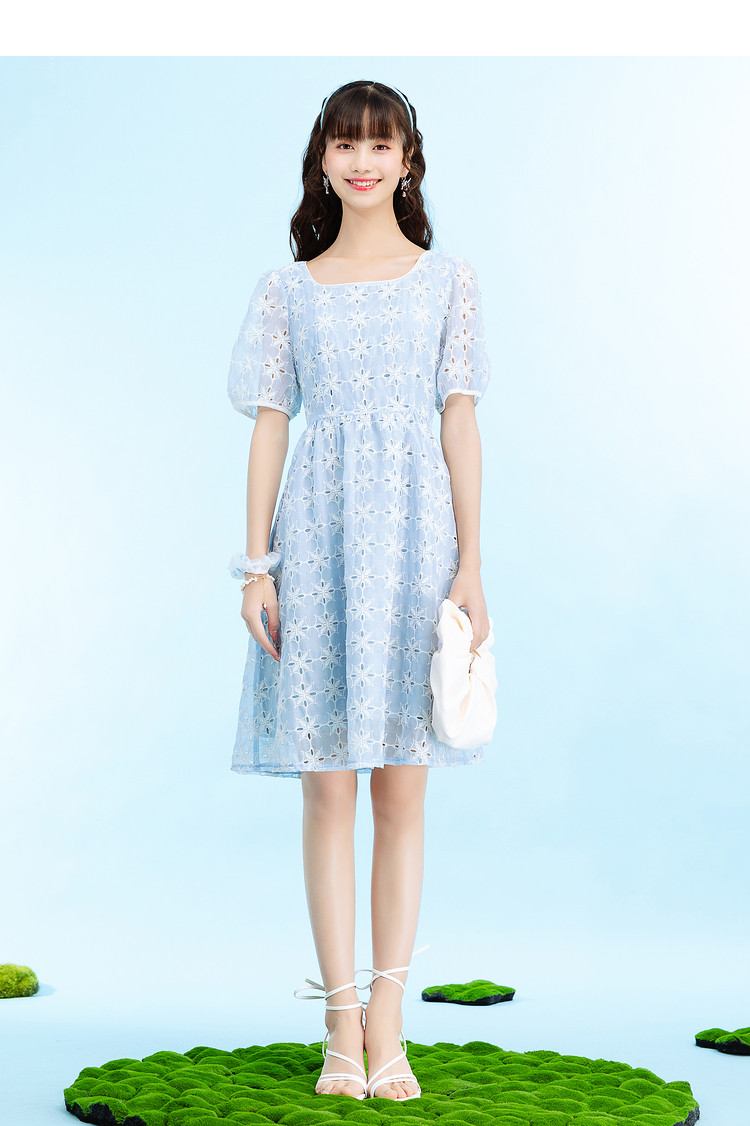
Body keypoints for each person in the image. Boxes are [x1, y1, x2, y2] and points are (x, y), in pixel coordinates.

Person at [226, 80, 492, 1102]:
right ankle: (341, 1025)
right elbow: (271, 425)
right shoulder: (287, 290)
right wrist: (256, 566)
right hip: (319, 543)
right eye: (346, 144)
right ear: (324, 160)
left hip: (419, 543)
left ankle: (391, 1023)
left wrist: (471, 566)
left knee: (402, 788)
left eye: (381, 144)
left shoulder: (448, 282)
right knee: (328, 786)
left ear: (408, 160)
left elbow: (460, 422)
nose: (364, 161)